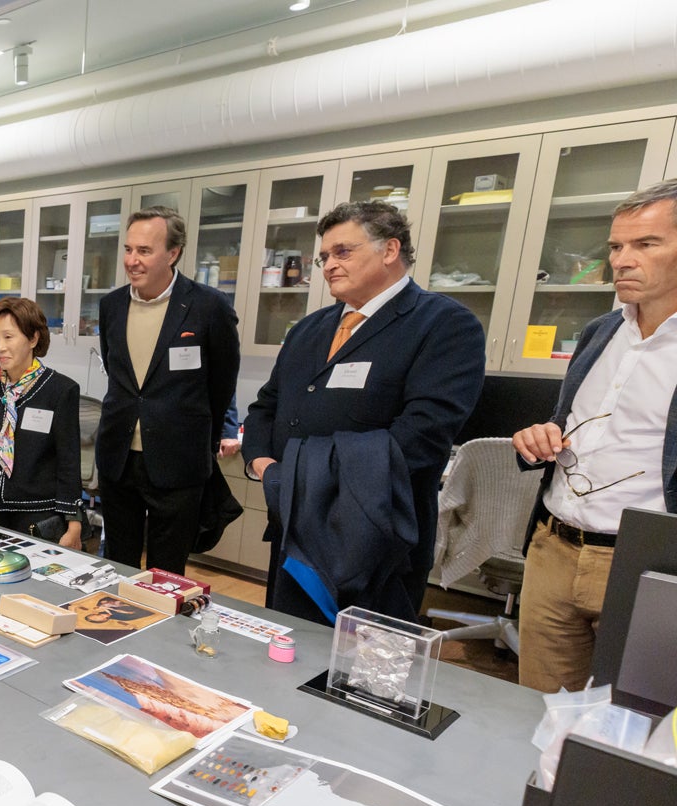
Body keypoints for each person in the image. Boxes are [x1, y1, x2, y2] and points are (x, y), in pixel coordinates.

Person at [244, 200, 484, 625]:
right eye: (324, 257)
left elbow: (423, 436)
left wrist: (307, 474)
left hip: (375, 530)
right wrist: (265, 466)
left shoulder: (444, 324)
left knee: (361, 665)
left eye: (342, 252)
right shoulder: (308, 329)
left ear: (390, 250)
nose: (329, 265)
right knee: (288, 641)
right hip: (295, 521)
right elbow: (267, 406)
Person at [511, 179, 677, 693]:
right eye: (616, 246)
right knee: (534, 711)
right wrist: (541, 437)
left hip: (642, 565)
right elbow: (573, 426)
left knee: (629, 721)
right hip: (553, 550)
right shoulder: (601, 331)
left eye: (646, 244)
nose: (622, 260)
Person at [95, 207, 240, 574]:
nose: (132, 260)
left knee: (167, 573)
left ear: (173, 254)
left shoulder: (209, 307)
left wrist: (203, 442)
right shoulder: (111, 305)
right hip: (119, 457)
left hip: (178, 462)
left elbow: (221, 386)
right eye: (128, 250)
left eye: (144, 251)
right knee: (118, 565)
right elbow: (119, 373)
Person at [0, 297, 83, 549]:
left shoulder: (60, 390)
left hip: (35, 517)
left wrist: (74, 523)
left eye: (8, 337)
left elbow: (69, 461)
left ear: (33, 339)